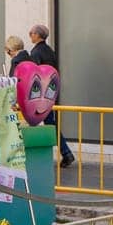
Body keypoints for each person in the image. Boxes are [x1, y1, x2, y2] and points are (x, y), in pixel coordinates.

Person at [29, 24, 75, 168]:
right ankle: (66, 152)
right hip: (51, 91)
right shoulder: (49, 51)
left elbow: (34, 75)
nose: (30, 34)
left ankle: (63, 153)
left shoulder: (36, 52)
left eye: (31, 33)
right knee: (50, 122)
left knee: (38, 122)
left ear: (37, 35)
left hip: (41, 94)